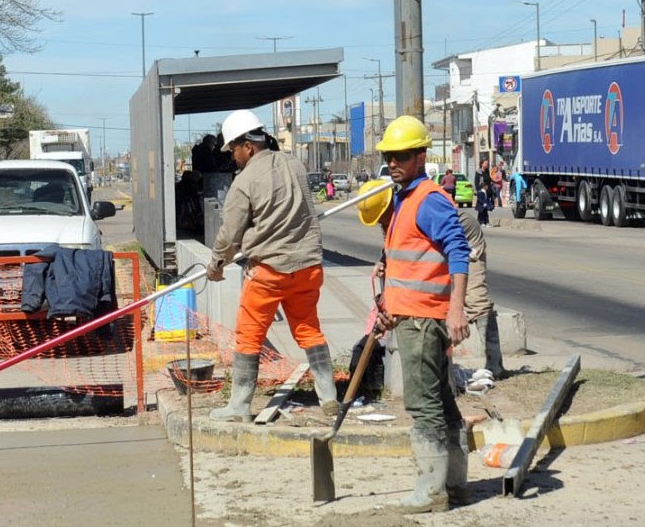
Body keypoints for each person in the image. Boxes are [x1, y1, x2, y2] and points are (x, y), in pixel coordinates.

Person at [206, 109, 338, 422]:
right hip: (307, 267)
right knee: (309, 329)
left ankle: (239, 406)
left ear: (248, 146)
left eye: (234, 149)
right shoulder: (294, 164)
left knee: (249, 335)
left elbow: (230, 233)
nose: (233, 156)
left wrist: (216, 264)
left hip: (268, 271)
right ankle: (329, 396)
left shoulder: (244, 181)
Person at [370, 115, 470, 513]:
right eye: (389, 156)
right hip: (411, 316)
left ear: (421, 156)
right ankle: (455, 486)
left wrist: (456, 309)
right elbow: (409, 263)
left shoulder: (428, 199)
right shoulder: (404, 199)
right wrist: (389, 306)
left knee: (423, 405)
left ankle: (431, 492)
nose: (393, 163)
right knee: (442, 402)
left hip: (425, 322)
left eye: (402, 156)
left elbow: (458, 252)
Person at [356, 180, 506, 387]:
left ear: (389, 204)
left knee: (474, 299)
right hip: (437, 245)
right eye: (379, 221)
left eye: (382, 217)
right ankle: (443, 373)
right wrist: (383, 262)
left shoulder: (416, 207)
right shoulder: (389, 220)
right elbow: (395, 247)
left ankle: (495, 364)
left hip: (465, 237)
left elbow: (453, 243)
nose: (382, 223)